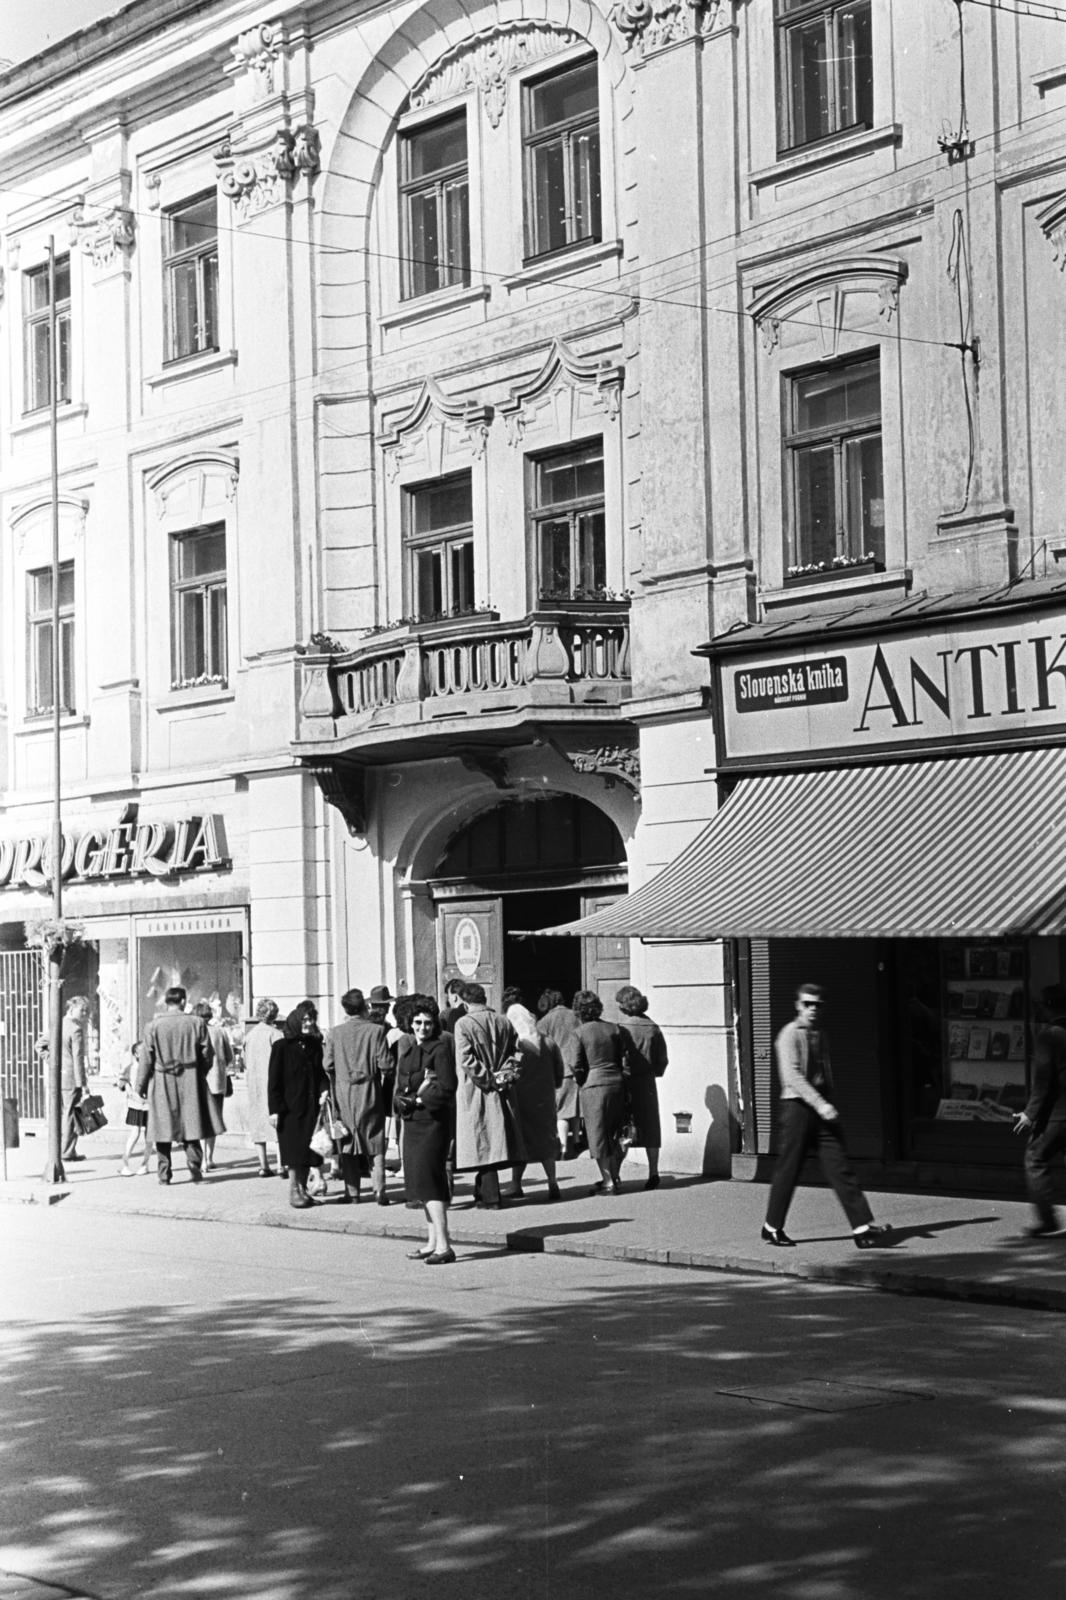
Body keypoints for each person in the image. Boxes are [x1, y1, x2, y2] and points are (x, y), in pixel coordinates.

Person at [762, 984, 889, 1249]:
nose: (812, 1009)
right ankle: (772, 1227)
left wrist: (825, 1102)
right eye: (807, 1004)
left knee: (839, 1165)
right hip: (797, 1109)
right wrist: (821, 1105)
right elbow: (792, 1077)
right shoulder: (788, 1035)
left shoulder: (821, 1035)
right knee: (789, 1169)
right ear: (798, 1005)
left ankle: (862, 1228)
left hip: (820, 1107)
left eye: (818, 1005)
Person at [136, 986, 222, 1186]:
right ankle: (195, 1170)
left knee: (163, 1128)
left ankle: (164, 1175)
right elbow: (207, 1055)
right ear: (183, 1001)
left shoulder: (152, 1026)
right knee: (192, 1125)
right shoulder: (197, 1023)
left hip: (162, 1079)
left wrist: (140, 1086)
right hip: (190, 1079)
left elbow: (145, 1060)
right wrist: (199, 1072)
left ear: (167, 1002)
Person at [395, 995, 458, 1263]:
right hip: (412, 1123)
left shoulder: (439, 1049)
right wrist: (404, 1101)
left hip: (433, 1124)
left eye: (428, 1023)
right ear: (410, 1024)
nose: (423, 1027)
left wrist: (419, 1099)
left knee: (431, 1183)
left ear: (435, 1025)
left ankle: (444, 1247)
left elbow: (447, 1086)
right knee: (423, 1185)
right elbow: (399, 1089)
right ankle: (431, 1242)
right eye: (418, 1022)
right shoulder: (409, 1052)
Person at [453, 982, 525, 1208]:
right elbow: (517, 1052)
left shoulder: (463, 1023)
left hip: (477, 1090)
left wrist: (488, 1079)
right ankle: (483, 1192)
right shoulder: (504, 1021)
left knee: (482, 1142)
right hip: (502, 1089)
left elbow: (466, 1060)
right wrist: (505, 1074)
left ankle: (491, 1197)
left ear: (465, 1003)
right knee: (492, 1140)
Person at [324, 988, 392, 1205]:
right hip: (370, 1090)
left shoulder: (335, 1032)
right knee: (375, 1140)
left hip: (344, 1092)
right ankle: (379, 1191)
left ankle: (352, 1193)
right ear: (364, 1007)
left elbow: (327, 1064)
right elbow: (386, 1064)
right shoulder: (376, 1031)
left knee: (347, 1139)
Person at [1013, 984, 1066, 1237]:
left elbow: (1044, 1081)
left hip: (1059, 1112)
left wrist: (1030, 1113)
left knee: (1035, 1158)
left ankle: (1048, 1219)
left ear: (1048, 1007)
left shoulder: (1049, 1035)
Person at [268, 1001, 330, 1210]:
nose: (308, 1023)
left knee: (307, 1151)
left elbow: (321, 1074)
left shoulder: (313, 1045)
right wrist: (274, 1110)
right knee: (294, 1153)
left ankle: (303, 1190)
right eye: (304, 1020)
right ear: (294, 1021)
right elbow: (274, 1082)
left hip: (311, 1107)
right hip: (290, 1110)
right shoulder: (281, 1047)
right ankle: (294, 1191)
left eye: (310, 1019)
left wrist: (324, 1090)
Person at [503, 989, 562, 1201]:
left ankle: (515, 1184)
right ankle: (552, 1182)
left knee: (521, 1144)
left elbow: (507, 1072)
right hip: (544, 1099)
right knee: (546, 1141)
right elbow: (559, 1072)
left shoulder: (515, 1045)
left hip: (520, 1100)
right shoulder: (548, 1041)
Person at [570, 990, 627, 1196]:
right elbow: (624, 1060)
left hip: (594, 1086)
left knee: (598, 1135)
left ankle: (608, 1181)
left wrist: (582, 1081)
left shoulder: (580, 1032)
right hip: (617, 1084)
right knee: (615, 1133)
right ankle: (615, 1176)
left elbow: (576, 1065)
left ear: (579, 1011)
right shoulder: (614, 1029)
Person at [616, 985, 668, 1190]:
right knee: (650, 1127)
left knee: (624, 1128)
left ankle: (615, 1173)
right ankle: (653, 1171)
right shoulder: (653, 1027)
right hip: (646, 1082)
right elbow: (662, 1060)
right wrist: (653, 1072)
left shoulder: (621, 1028)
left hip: (626, 1081)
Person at [537, 989, 581, 1157]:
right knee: (575, 1108)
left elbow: (540, 1047)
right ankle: (577, 1141)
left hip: (558, 1070)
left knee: (561, 1110)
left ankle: (563, 1148)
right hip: (577, 1068)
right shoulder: (576, 1015)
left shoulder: (545, 1021)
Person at [244, 999, 284, 1177]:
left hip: (255, 1084)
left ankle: (263, 1165)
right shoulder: (276, 1034)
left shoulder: (249, 1035)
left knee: (258, 1123)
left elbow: (245, 1062)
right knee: (277, 1124)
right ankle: (282, 1164)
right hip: (273, 1083)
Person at [193, 1000, 233, 1173]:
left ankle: (202, 1160)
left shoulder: (192, 1034)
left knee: (201, 1121)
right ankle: (209, 1158)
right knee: (214, 1121)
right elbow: (229, 1056)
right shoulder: (219, 1032)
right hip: (216, 1082)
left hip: (197, 1083)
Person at [60, 995, 90, 1163]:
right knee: (71, 1114)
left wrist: (55, 1063)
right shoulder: (76, 1029)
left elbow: (40, 1045)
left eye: (86, 1010)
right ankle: (67, 1151)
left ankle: (62, 1149)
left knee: (63, 1113)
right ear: (71, 1009)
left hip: (60, 1076)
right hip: (72, 1078)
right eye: (82, 1010)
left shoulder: (57, 1025)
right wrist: (82, 1084)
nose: (84, 1014)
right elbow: (78, 1058)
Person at [117, 1044, 151, 1176]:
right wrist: (127, 1087)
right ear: (136, 1054)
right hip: (136, 1106)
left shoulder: (151, 1067)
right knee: (134, 1134)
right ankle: (125, 1163)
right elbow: (122, 1081)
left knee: (149, 1136)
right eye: (143, 1051)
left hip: (148, 1105)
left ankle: (145, 1164)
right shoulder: (131, 1068)